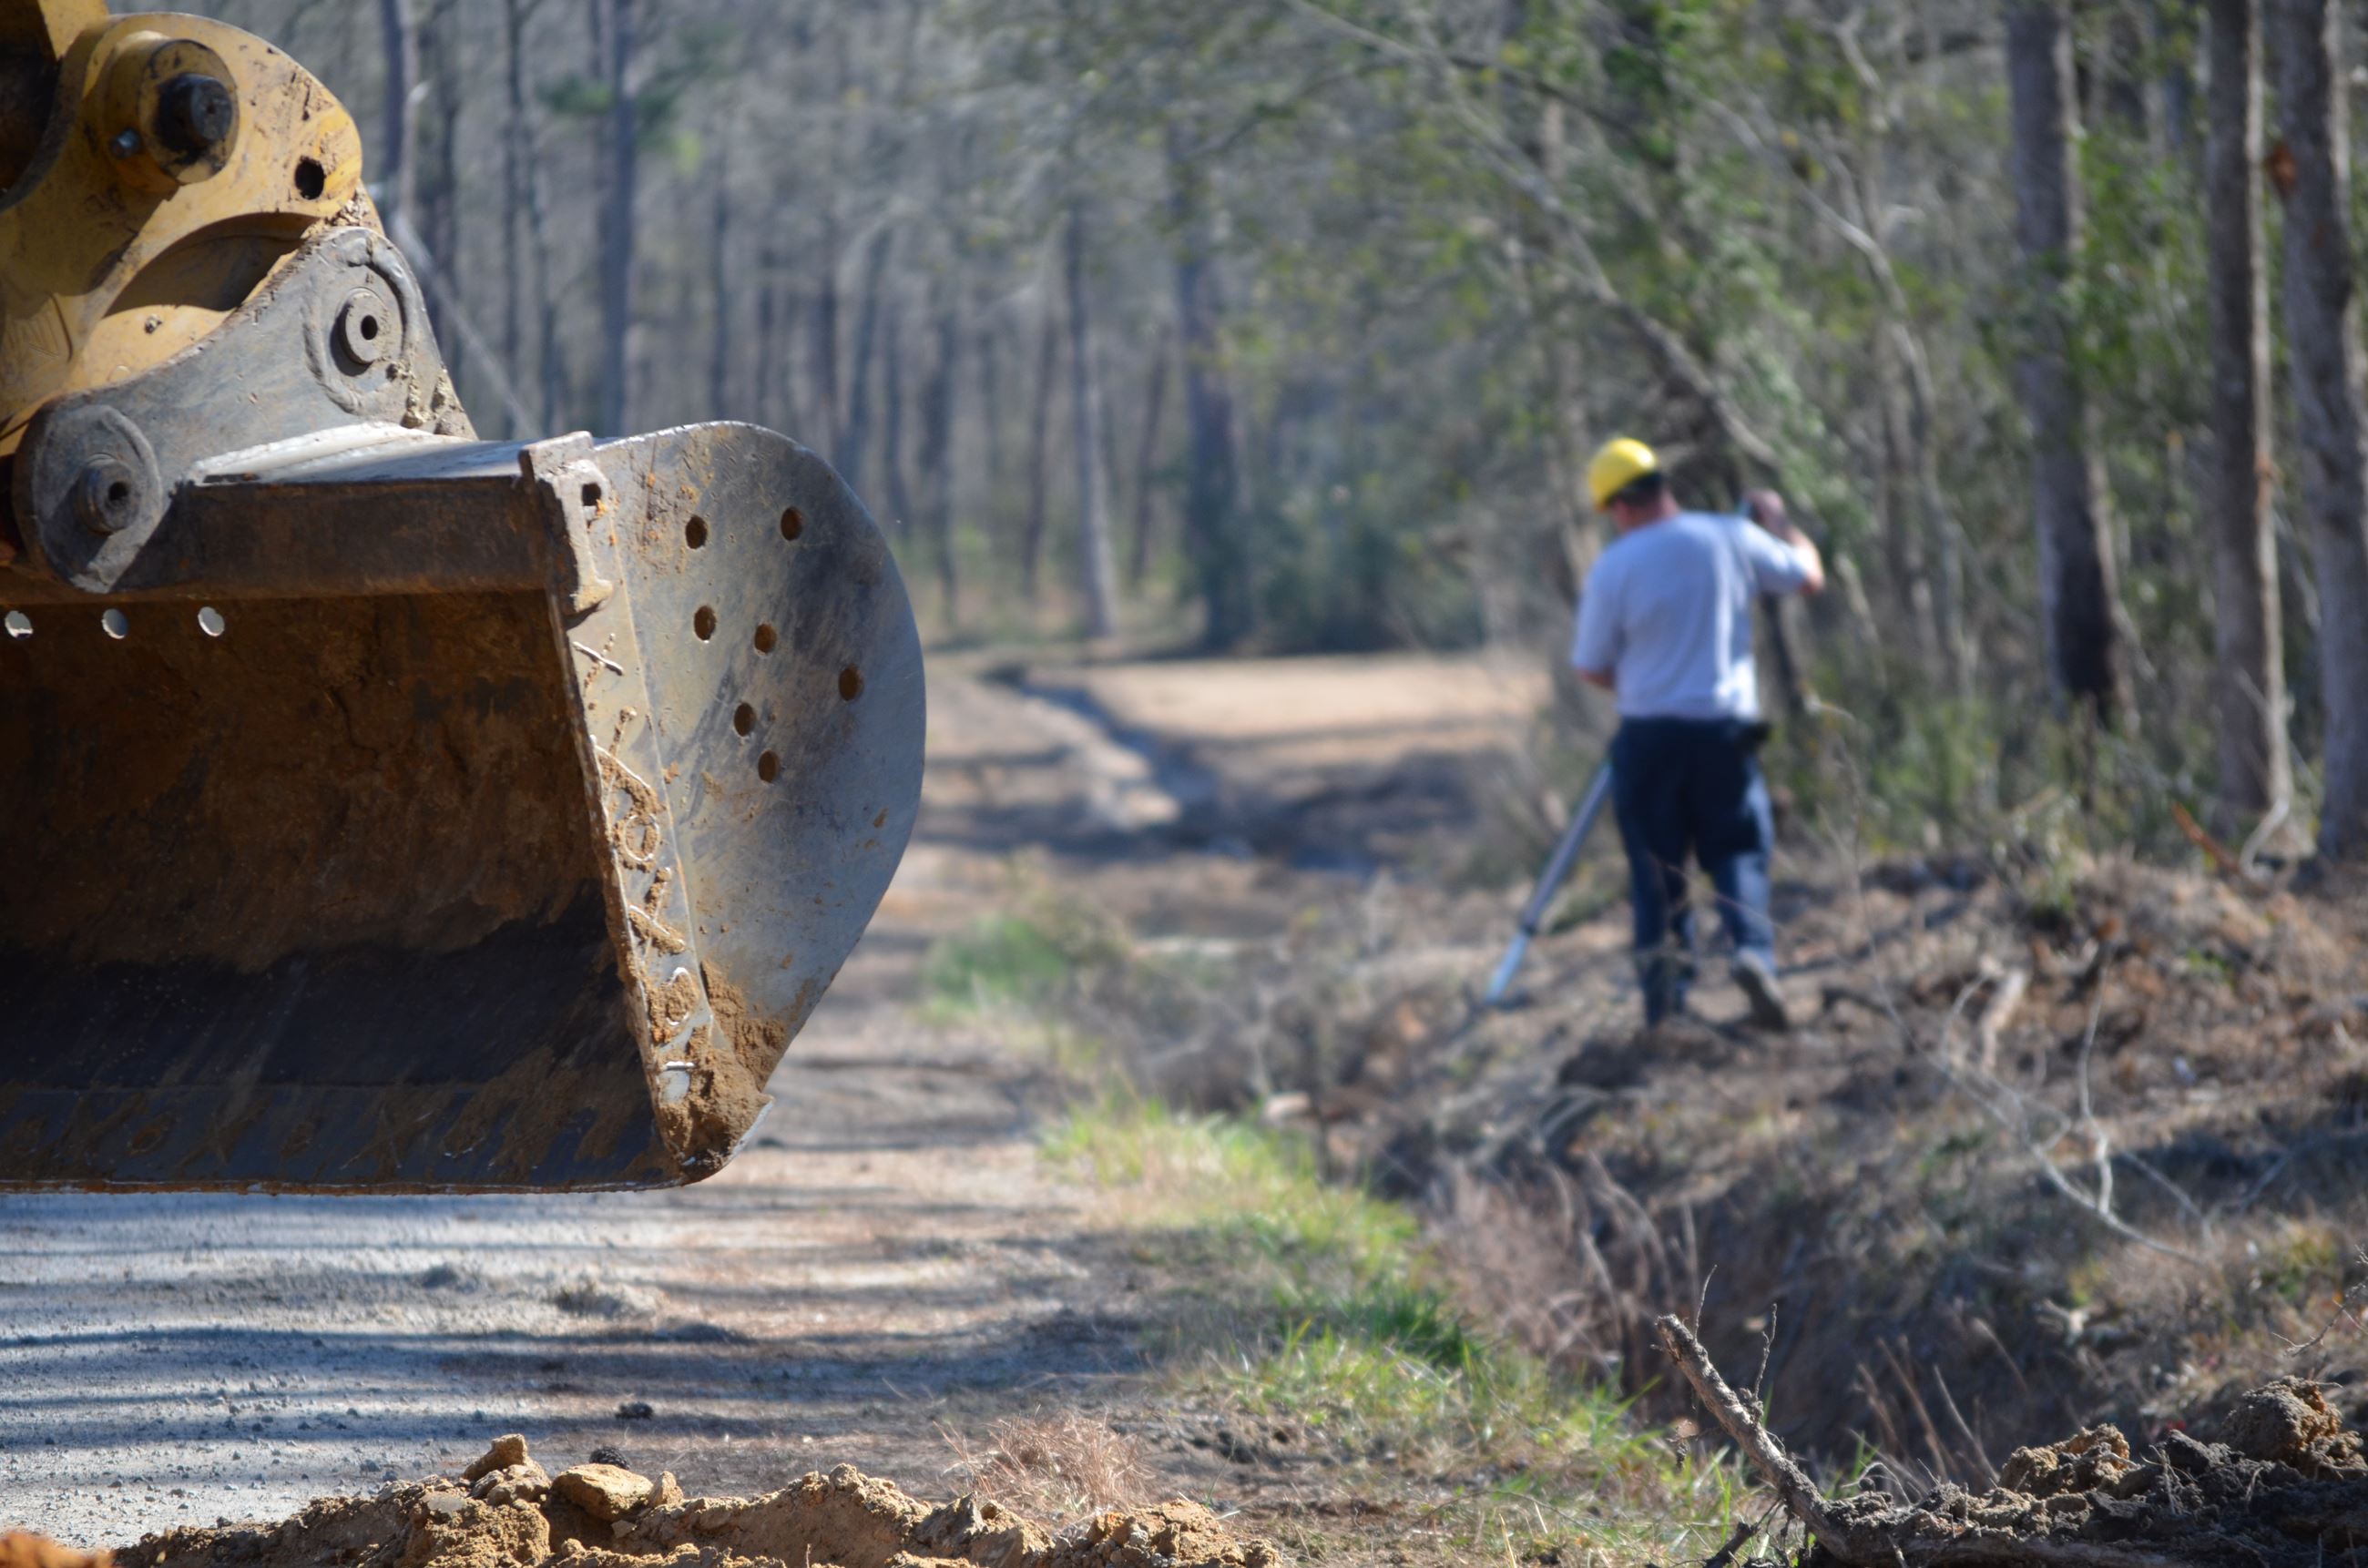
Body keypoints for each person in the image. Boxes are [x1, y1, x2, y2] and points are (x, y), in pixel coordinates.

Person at [1569, 437, 1826, 1030]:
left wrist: (1640, 684)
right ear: (1662, 486)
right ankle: (1753, 955)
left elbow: (1590, 665)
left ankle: (1666, 1006)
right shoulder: (1731, 537)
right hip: (1723, 734)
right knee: (1737, 851)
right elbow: (1808, 577)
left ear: (1619, 507)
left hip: (1649, 736)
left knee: (1657, 873)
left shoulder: (1615, 566)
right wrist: (1783, 525)